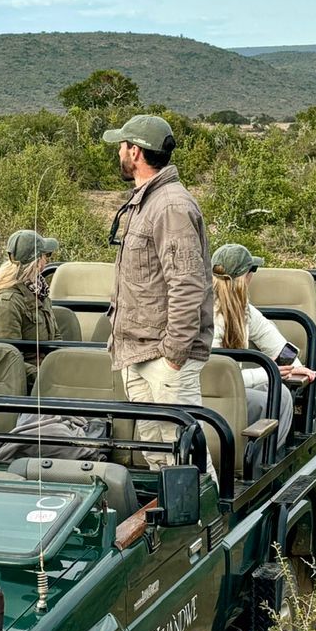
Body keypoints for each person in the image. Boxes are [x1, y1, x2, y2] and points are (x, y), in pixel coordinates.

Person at [102, 114, 215, 466]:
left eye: (122, 145)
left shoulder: (170, 206)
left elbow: (187, 284)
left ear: (135, 152)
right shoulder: (148, 201)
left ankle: (203, 522)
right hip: (139, 352)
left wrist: (173, 355)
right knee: (157, 454)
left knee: (185, 461)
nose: (118, 151)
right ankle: (171, 520)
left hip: (162, 357)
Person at [210, 242, 316, 448]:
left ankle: (261, 458)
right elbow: (215, 377)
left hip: (231, 387)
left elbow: (273, 340)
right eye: (253, 270)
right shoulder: (211, 316)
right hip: (210, 393)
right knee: (278, 398)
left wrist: (294, 365)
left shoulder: (242, 308)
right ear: (245, 277)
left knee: (278, 390)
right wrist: (270, 373)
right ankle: (259, 465)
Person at [0, 228, 59, 362]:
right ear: (37, 262)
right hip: (25, 379)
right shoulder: (6, 304)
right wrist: (45, 377)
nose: (47, 261)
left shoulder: (39, 291)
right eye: (46, 255)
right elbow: (9, 361)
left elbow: (56, 339)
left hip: (46, 371)